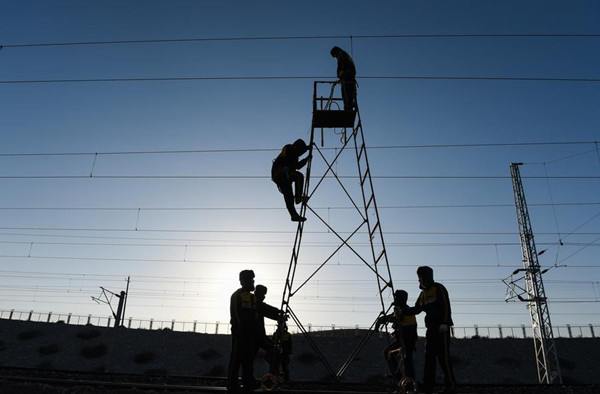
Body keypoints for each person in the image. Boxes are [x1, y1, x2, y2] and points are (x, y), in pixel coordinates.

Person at [402, 266, 456, 394]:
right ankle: (428, 386)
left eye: (423, 277)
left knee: (444, 358)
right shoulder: (423, 294)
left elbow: (446, 306)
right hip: (430, 330)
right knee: (429, 358)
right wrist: (403, 311)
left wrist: (445, 322)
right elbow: (416, 309)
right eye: (420, 277)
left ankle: (451, 385)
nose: (421, 280)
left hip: (441, 329)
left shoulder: (438, 288)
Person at [375, 290, 418, 383]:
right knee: (391, 354)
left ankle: (407, 382)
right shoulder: (401, 309)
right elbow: (391, 317)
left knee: (407, 362)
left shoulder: (405, 311)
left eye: (396, 297)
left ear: (401, 299)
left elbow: (395, 318)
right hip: (403, 341)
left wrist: (381, 321)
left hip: (406, 341)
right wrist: (380, 320)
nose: (394, 299)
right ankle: (400, 378)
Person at [228, 270, 259, 392]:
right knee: (236, 358)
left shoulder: (252, 297)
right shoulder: (237, 295)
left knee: (248, 359)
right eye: (251, 279)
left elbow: (256, 314)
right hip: (240, 334)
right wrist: (240, 331)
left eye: (253, 279)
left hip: (251, 335)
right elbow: (236, 315)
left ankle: (248, 382)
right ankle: (232, 384)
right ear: (243, 281)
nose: (253, 281)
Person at [271, 139, 310, 222]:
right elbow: (296, 153)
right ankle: (298, 197)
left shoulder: (294, 156)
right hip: (281, 173)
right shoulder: (289, 148)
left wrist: (306, 159)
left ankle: (294, 215)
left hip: (283, 175)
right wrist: (307, 149)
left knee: (288, 195)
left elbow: (297, 166)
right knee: (298, 176)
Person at [254, 285, 282, 369]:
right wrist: (278, 313)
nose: (264, 297)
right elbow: (264, 308)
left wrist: (277, 312)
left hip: (258, 336)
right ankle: (272, 375)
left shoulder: (255, 302)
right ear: (258, 293)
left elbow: (265, 308)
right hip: (256, 336)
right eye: (263, 294)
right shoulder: (255, 303)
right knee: (274, 351)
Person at [330, 46, 357, 111]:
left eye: (335, 56)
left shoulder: (342, 55)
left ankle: (348, 107)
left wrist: (341, 74)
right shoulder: (344, 55)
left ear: (336, 52)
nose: (336, 58)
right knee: (347, 94)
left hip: (347, 78)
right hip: (348, 78)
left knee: (346, 94)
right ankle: (348, 106)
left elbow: (344, 67)